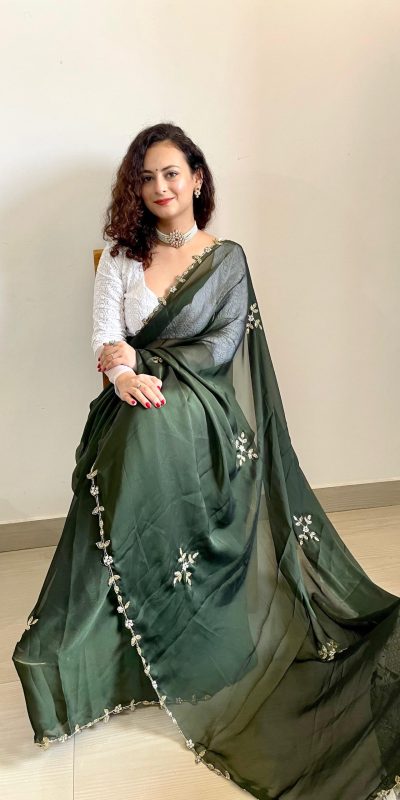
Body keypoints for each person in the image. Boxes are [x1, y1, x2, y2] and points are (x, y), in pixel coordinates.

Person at [13, 122, 400, 800]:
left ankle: (184, 623)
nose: (159, 187)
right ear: (135, 189)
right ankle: (105, 642)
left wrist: (143, 360)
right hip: (135, 399)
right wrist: (122, 374)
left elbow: (221, 349)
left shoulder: (226, 259)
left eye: (171, 173)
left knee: (151, 429)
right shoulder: (121, 259)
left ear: (197, 178)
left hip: (207, 406)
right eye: (146, 177)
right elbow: (105, 337)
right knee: (134, 433)